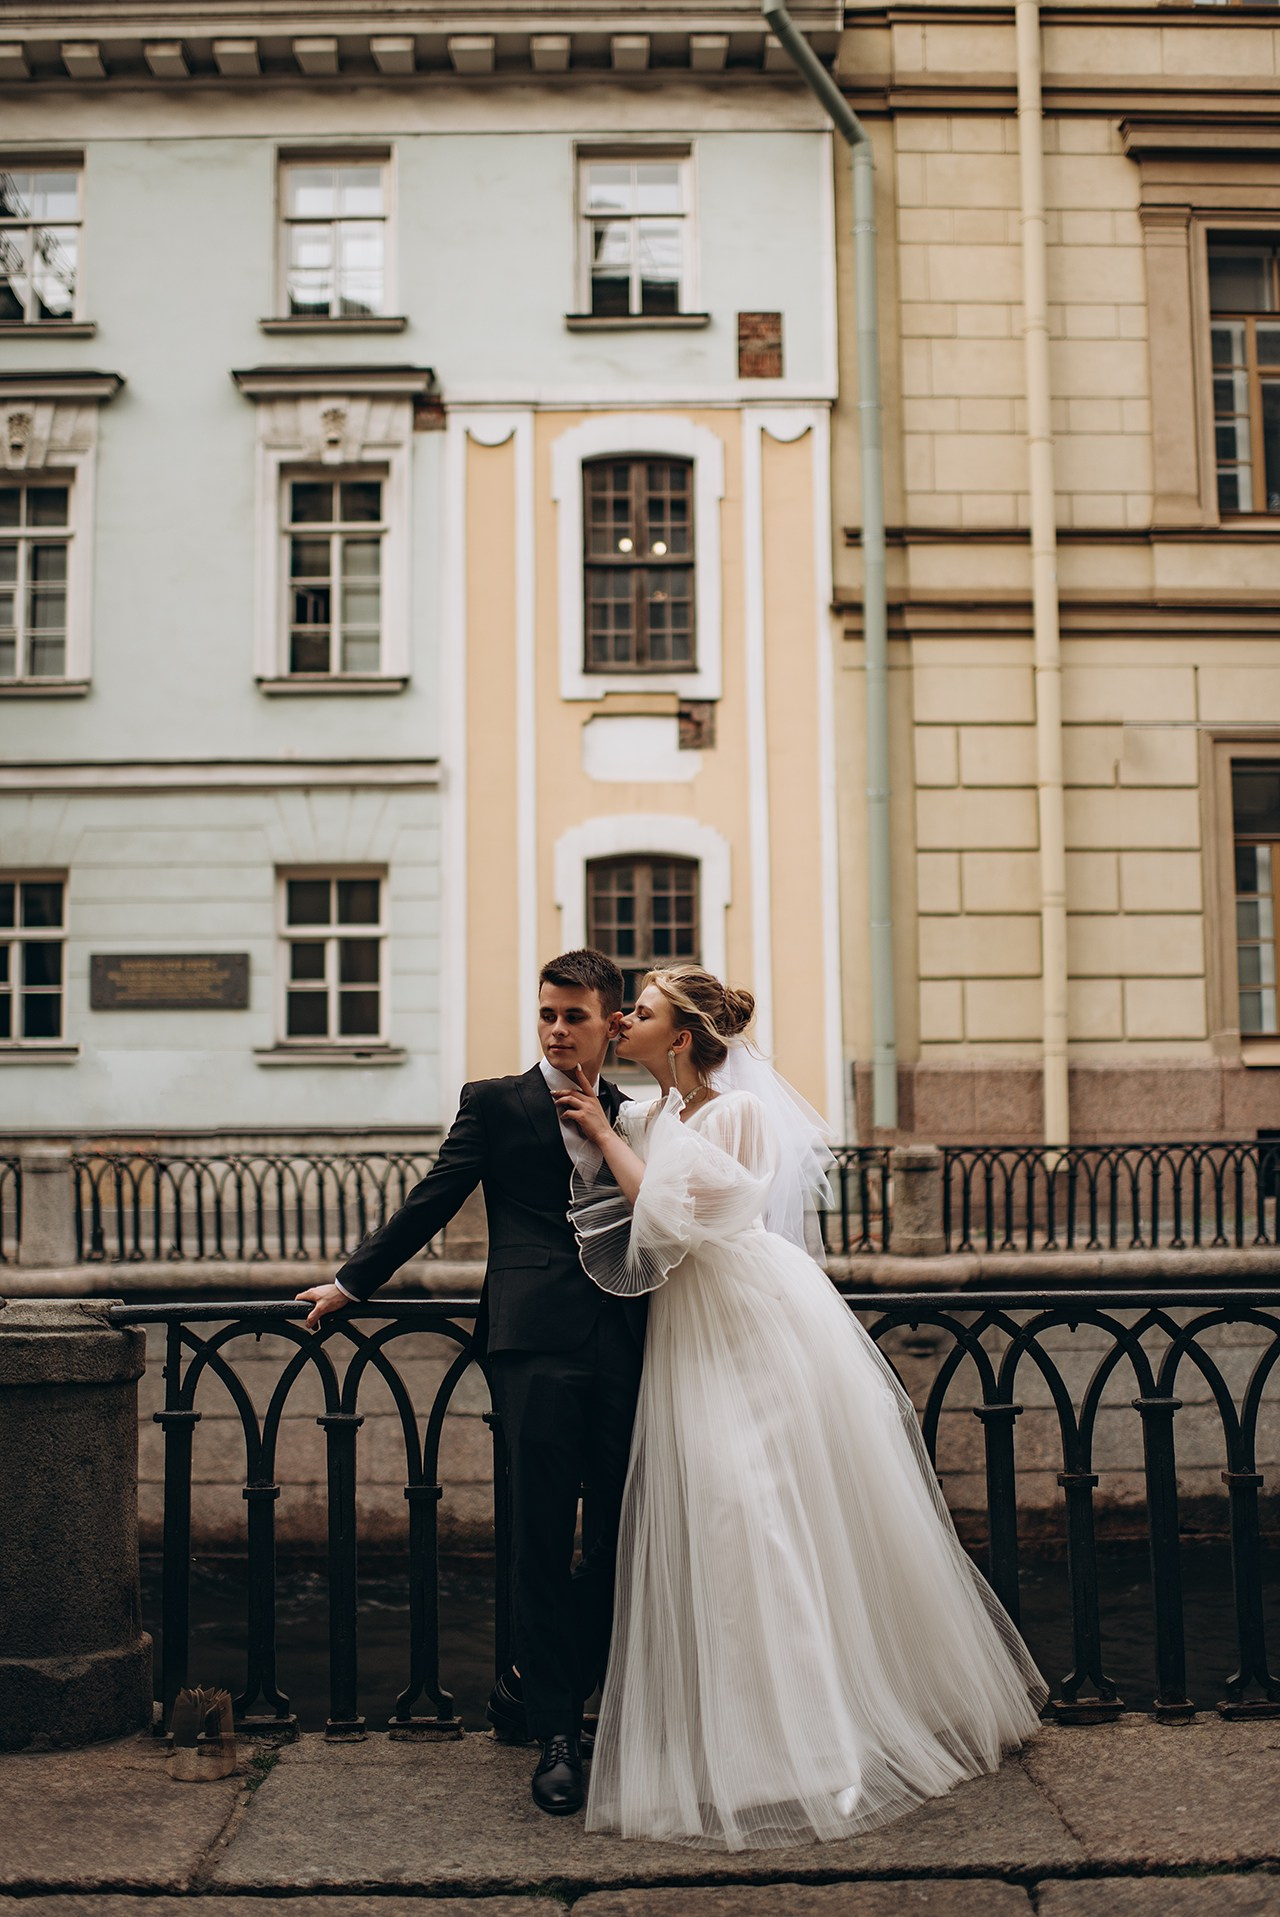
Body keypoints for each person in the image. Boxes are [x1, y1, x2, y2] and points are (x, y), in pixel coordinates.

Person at [551, 963, 1047, 1852]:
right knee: (710, 1517)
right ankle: (730, 1738)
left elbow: (670, 1219)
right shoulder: (651, 1115)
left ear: (683, 1035)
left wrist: (598, 1127)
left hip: (747, 1321)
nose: (625, 1019)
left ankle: (810, 1744)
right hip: (686, 1331)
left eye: (643, 1011)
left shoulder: (734, 1112)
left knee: (756, 1507)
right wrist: (597, 1111)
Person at [295, 948, 647, 1817]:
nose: (556, 1029)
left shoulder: (635, 1113)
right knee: (539, 1535)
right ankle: (558, 1735)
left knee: (619, 1538)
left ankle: (536, 1685)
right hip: (533, 1343)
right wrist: (352, 1282)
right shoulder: (495, 1102)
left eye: (574, 1016)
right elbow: (433, 1197)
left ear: (610, 1022)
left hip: (625, 1340)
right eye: (546, 1013)